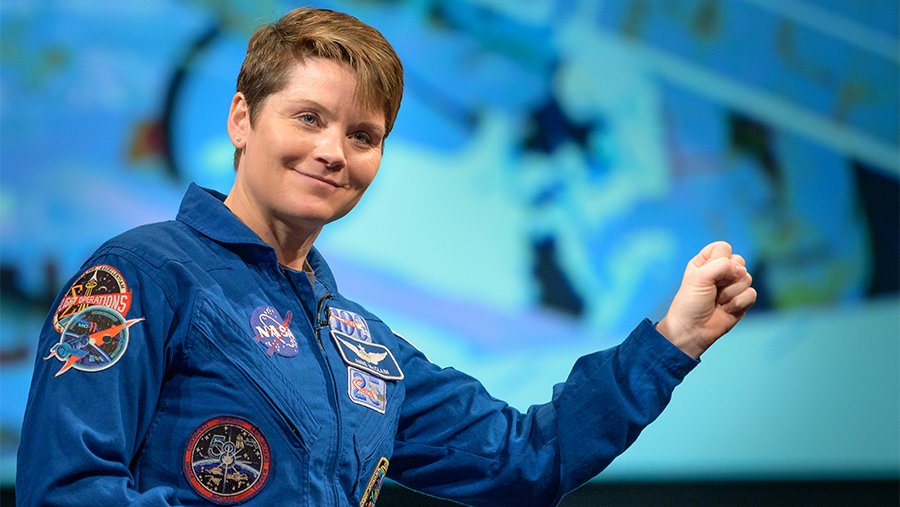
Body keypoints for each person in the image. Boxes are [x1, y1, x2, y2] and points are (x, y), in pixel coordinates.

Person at [16, 7, 756, 507]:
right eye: (308, 118)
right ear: (242, 119)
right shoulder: (143, 274)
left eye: (362, 136)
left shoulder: (361, 345)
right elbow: (68, 490)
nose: (333, 152)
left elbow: (525, 460)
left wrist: (672, 342)